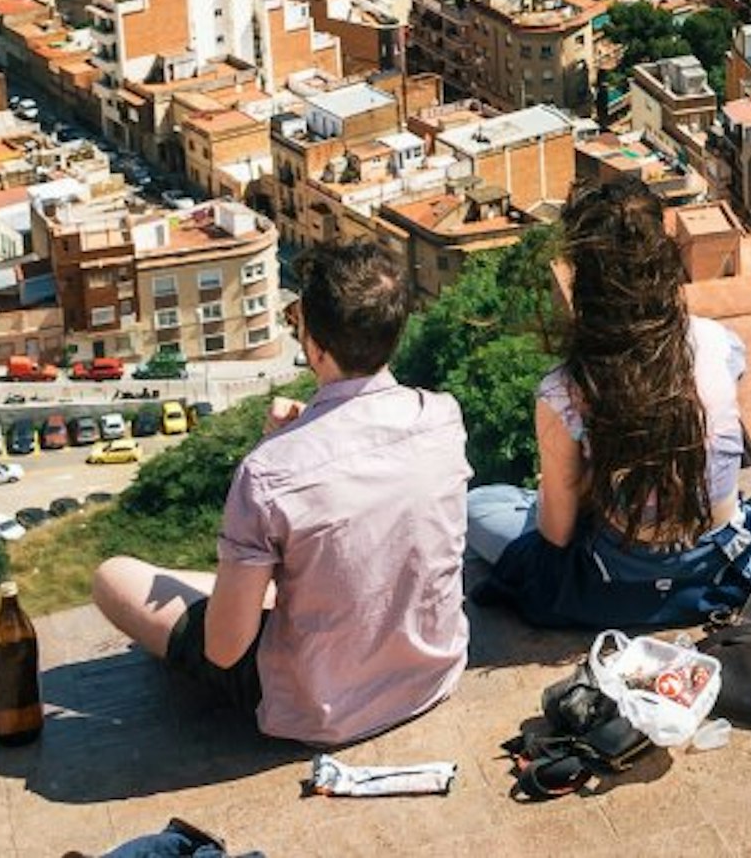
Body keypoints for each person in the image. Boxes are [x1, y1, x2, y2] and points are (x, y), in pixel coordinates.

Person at [92, 239, 470, 745]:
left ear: (314, 346)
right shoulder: (442, 416)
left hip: (319, 708)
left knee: (114, 576)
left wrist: (277, 450)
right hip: (432, 676)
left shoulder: (268, 473)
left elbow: (224, 650)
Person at [464, 174, 751, 629]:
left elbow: (557, 534)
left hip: (615, 584)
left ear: (584, 279)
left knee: (480, 506)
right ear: (663, 262)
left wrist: (583, 483)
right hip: (721, 572)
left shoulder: (566, 390)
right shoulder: (720, 345)